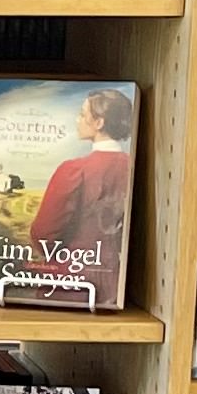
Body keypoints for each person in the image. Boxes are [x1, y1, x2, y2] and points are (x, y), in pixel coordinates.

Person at [29, 85, 133, 287]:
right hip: (114, 277)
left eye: (82, 114)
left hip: (70, 279)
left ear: (99, 122)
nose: (77, 120)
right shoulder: (132, 166)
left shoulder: (74, 170)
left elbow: (43, 234)